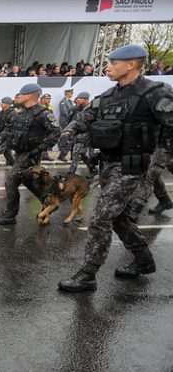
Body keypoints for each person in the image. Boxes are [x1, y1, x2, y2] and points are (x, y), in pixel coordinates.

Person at [58, 45, 173, 292]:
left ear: (130, 65)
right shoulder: (109, 96)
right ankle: (143, 261)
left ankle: (88, 274)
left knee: (100, 218)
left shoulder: (155, 92)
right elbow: (83, 119)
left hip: (132, 167)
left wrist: (162, 155)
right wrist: (68, 132)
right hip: (108, 164)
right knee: (119, 218)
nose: (107, 67)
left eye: (112, 63)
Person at [0, 83, 61, 225]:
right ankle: (49, 203)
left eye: (21, 94)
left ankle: (10, 215)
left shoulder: (43, 113)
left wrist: (39, 148)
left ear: (29, 96)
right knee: (29, 182)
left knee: (11, 180)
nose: (18, 96)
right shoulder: (23, 111)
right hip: (21, 152)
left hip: (30, 155)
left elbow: (56, 132)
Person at [67, 92, 98, 177]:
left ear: (86, 99)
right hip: (78, 134)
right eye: (77, 98)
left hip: (87, 134)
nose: (77, 100)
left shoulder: (92, 109)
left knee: (76, 153)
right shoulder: (76, 109)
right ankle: (93, 169)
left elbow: (93, 121)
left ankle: (71, 173)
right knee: (83, 155)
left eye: (80, 98)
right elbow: (72, 120)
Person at [57, 89, 75, 161]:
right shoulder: (63, 102)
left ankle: (70, 155)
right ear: (67, 93)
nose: (72, 94)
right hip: (65, 122)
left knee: (71, 139)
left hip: (70, 122)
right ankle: (62, 154)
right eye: (71, 93)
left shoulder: (70, 101)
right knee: (64, 139)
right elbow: (65, 112)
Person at [39, 93, 56, 160]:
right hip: (40, 126)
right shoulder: (39, 106)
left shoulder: (50, 106)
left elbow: (52, 115)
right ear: (42, 99)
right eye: (47, 99)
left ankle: (45, 155)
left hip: (47, 126)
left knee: (46, 140)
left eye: (49, 99)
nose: (49, 100)